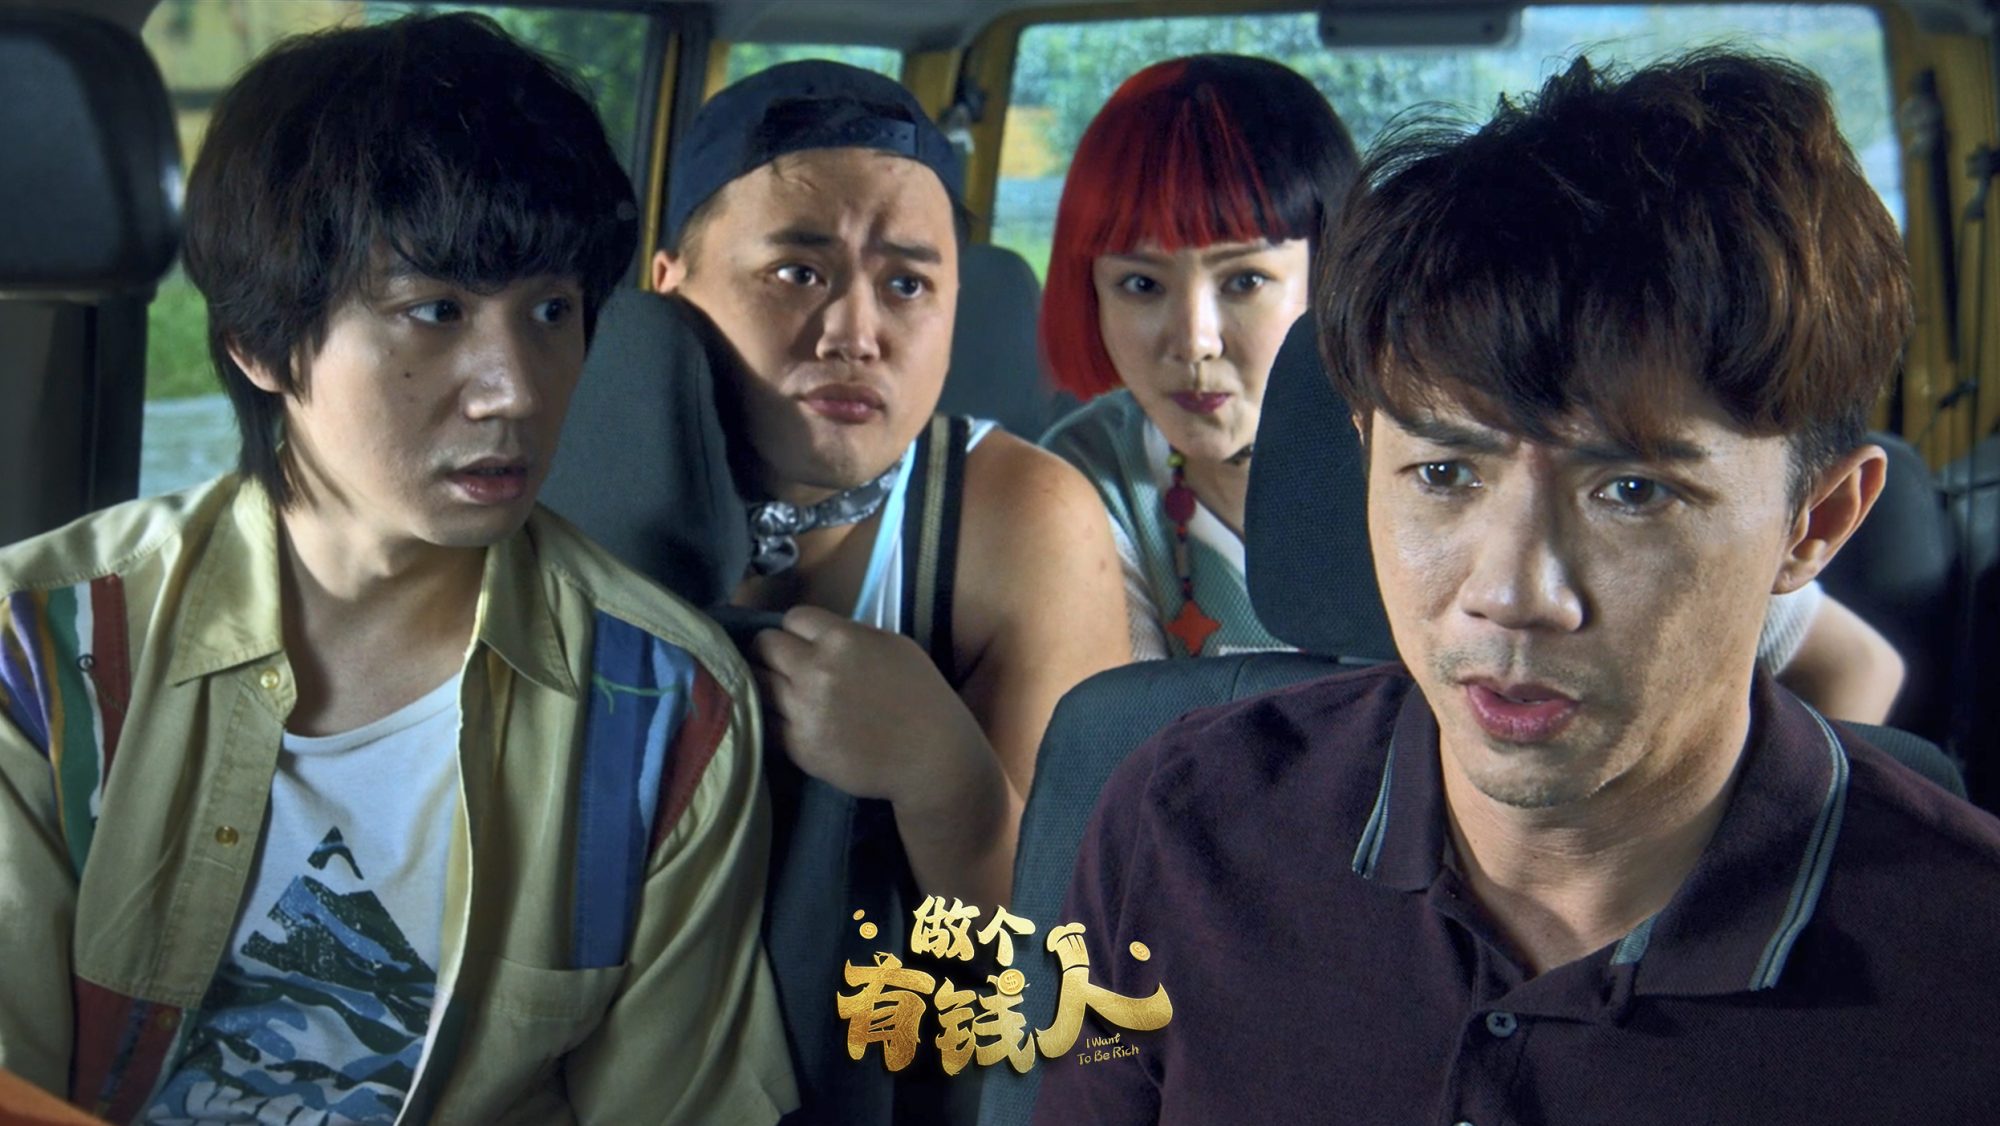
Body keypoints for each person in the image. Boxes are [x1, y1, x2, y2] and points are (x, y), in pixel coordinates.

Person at [1034, 51, 2000, 1123]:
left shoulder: (1966, 970)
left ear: (1813, 521)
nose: (1511, 592)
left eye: (1631, 491)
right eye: (1444, 474)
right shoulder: (1182, 827)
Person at [0, 16, 793, 1124]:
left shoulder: (666, 709)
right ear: (261, 342)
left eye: (551, 311)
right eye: (436, 311)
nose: (515, 389)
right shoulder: (43, 651)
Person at [1036, 55, 1907, 724]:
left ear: (1334, 277)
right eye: (1139, 284)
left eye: (1245, 281)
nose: (1193, 340)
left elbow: (1851, 664)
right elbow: (1117, 751)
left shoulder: (1508, 424)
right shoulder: (1079, 484)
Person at [645, 61, 1128, 1122]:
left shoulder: (1020, 521)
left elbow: (1074, 1002)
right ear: (669, 284)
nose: (854, 332)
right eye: (797, 272)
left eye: (907, 285)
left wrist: (944, 779)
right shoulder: (565, 487)